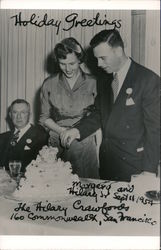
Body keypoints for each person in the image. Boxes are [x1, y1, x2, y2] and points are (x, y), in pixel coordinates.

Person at [60, 29, 160, 182]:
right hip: (108, 162)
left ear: (118, 51)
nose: (99, 64)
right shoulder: (105, 80)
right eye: (97, 59)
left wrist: (149, 170)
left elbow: (155, 130)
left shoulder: (147, 80)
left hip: (135, 166)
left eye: (103, 58)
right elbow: (100, 113)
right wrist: (77, 130)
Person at [39, 37, 99, 179]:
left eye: (72, 63)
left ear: (80, 60)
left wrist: (98, 150)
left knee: (85, 188)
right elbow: (44, 117)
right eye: (62, 64)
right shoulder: (49, 84)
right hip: (56, 140)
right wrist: (63, 132)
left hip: (83, 141)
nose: (68, 69)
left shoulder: (93, 83)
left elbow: (99, 117)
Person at [0, 99, 48, 173]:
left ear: (30, 114)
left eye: (23, 112)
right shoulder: (2, 138)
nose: (19, 116)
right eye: (15, 112)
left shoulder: (41, 136)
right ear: (10, 115)